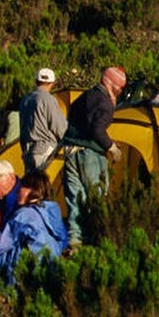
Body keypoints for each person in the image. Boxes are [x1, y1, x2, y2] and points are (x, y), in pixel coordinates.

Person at [61, 66, 126, 247]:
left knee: (75, 198)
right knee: (95, 198)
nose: (120, 91)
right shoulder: (105, 103)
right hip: (89, 154)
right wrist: (111, 147)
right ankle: (95, 240)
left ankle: (75, 240)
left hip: (70, 150)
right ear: (112, 84)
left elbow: (75, 119)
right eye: (120, 87)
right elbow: (97, 130)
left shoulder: (85, 96)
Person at [0, 172, 69, 282]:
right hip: (48, 272)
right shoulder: (52, 212)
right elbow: (63, 241)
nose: (18, 191)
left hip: (24, 273)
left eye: (22, 187)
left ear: (32, 190)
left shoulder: (24, 215)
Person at [19, 68, 68, 175]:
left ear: (36, 81)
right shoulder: (48, 99)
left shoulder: (25, 99)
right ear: (52, 83)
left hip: (27, 150)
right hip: (44, 150)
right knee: (42, 185)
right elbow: (60, 128)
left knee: (30, 186)